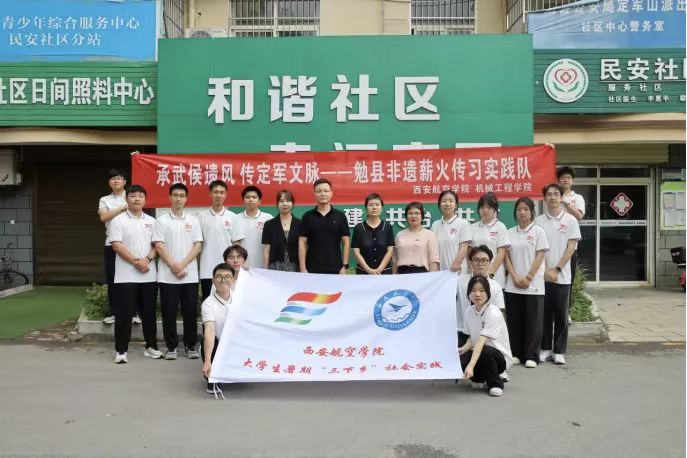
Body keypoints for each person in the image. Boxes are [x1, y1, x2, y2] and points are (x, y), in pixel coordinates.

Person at [108, 185, 162, 363]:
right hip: (125, 276)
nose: (137, 199)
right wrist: (136, 262)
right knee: (124, 314)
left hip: (149, 275)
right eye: (133, 196)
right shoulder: (118, 220)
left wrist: (147, 260)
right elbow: (117, 245)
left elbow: (157, 245)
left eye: (140, 196)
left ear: (145, 200)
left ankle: (151, 347)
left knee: (149, 314)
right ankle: (121, 350)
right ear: (127, 199)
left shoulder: (152, 221)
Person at [153, 183, 203, 361]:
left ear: (186, 198)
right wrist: (174, 265)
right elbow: (159, 246)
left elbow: (197, 246)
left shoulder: (193, 220)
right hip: (167, 277)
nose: (178, 198)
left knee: (190, 312)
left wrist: (182, 265)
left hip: (190, 276)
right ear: (169, 197)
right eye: (175, 195)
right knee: (169, 313)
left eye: (182, 195)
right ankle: (172, 347)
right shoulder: (161, 220)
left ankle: (191, 346)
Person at [535, 183, 581, 365]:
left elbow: (571, 248)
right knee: (544, 314)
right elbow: (537, 249)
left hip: (563, 276)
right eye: (549, 194)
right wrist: (546, 270)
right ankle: (545, 348)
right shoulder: (538, 221)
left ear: (561, 197)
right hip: (542, 276)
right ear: (544, 198)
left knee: (561, 314)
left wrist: (557, 269)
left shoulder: (571, 221)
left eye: (556, 194)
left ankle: (559, 350)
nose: (553, 197)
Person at [503, 197, 549, 368]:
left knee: (533, 321)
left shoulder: (538, 232)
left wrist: (529, 277)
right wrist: (514, 276)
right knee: (515, 320)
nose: (522, 212)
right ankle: (516, 353)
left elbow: (540, 255)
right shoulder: (509, 232)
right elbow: (506, 257)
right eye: (519, 209)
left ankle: (532, 355)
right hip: (513, 284)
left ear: (532, 212)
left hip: (533, 285)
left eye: (526, 209)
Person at [459, 275, 513, 397]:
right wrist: (463, 349)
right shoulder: (469, 311)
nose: (477, 294)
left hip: (498, 356)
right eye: (473, 290)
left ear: (488, 293)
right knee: (461, 354)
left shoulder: (493, 312)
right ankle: (479, 378)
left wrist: (471, 365)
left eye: (482, 290)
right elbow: (471, 338)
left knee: (485, 351)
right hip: (479, 351)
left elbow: (481, 340)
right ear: (468, 294)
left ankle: (495, 384)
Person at [98, 169, 134, 325]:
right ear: (109, 182)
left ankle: (134, 313)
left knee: (133, 278)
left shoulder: (132, 196)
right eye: (113, 178)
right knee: (113, 279)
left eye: (119, 178)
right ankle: (114, 313)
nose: (116, 181)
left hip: (132, 243)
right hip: (111, 243)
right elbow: (104, 217)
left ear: (125, 181)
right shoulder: (104, 200)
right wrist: (121, 208)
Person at [198, 180, 245, 301]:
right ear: (210, 194)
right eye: (215, 192)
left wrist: (237, 266)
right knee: (209, 302)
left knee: (230, 302)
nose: (218, 195)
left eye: (221, 192)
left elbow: (237, 244)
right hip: (207, 269)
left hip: (228, 269)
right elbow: (198, 245)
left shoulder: (233, 217)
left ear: (225, 195)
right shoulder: (201, 217)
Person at [456, 246, 505, 347]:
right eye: (476, 260)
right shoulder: (459, 280)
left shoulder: (495, 286)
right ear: (470, 262)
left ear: (490, 262)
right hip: (462, 331)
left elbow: (498, 314)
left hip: (486, 335)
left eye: (484, 260)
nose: (480, 263)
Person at [299, 179, 350, 274]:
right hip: (312, 268)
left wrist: (344, 266)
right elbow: (302, 242)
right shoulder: (307, 216)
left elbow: (346, 242)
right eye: (318, 191)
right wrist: (302, 268)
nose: (322, 194)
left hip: (336, 268)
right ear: (314, 194)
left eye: (326, 191)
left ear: (331, 193)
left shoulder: (340, 216)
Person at [201, 263, 235, 396]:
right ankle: (213, 376)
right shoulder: (208, 304)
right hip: (219, 344)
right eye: (219, 276)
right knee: (209, 338)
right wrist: (207, 361)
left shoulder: (240, 299)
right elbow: (209, 330)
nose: (223, 280)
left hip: (236, 344)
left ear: (233, 280)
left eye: (227, 276)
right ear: (213, 280)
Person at [557, 166, 585, 308]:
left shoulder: (577, 198)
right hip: (554, 244)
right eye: (563, 178)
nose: (565, 180)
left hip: (570, 246)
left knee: (569, 279)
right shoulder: (554, 196)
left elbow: (579, 216)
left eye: (568, 178)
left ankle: (566, 312)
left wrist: (565, 202)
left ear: (573, 181)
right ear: (558, 180)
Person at [470, 192, 510, 288]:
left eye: (489, 207)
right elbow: (469, 252)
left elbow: (501, 253)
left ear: (495, 210)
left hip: (495, 277)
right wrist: (474, 270)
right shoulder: (472, 227)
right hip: (476, 277)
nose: (485, 210)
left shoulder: (500, 227)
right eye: (482, 207)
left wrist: (490, 273)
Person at [351, 193, 394, 275]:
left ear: (381, 208)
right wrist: (368, 270)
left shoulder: (387, 227)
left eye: (377, 205)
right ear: (366, 208)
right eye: (370, 205)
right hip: (363, 273)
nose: (374, 207)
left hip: (384, 273)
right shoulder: (359, 228)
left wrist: (380, 269)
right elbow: (356, 252)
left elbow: (390, 250)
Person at [392, 202, 439, 274]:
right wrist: (394, 276)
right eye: (410, 213)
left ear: (422, 216)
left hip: (421, 273)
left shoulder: (429, 234)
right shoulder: (399, 235)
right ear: (406, 216)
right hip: (402, 273)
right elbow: (395, 260)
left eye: (417, 213)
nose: (413, 216)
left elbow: (433, 260)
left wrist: (431, 277)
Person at [431, 190, 471, 273]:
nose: (447, 204)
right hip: (439, 273)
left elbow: (464, 249)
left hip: (457, 271)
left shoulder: (463, 223)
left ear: (456, 205)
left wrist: (454, 268)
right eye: (444, 201)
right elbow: (432, 250)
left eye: (451, 201)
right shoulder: (435, 225)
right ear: (439, 205)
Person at [262, 190, 302, 271]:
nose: (285, 204)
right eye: (281, 201)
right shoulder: (269, 224)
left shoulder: (300, 224)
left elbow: (303, 247)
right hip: (275, 267)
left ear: (292, 203)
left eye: (288, 201)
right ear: (277, 204)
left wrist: (302, 267)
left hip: (295, 267)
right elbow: (267, 249)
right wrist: (265, 269)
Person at [236, 186, 272, 269]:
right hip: (242, 266)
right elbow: (235, 244)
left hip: (264, 266)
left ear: (259, 201)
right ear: (243, 200)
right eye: (247, 197)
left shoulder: (268, 218)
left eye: (254, 197)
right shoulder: (236, 219)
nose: (250, 200)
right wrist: (242, 262)